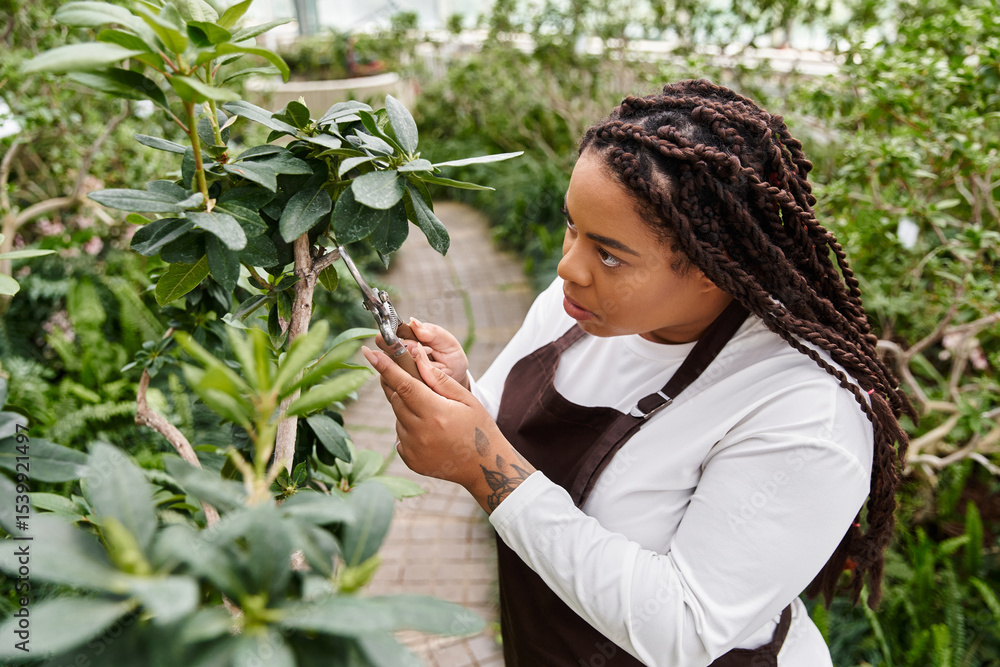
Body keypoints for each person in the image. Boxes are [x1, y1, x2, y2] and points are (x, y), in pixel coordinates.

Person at [361, 79, 912, 666]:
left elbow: (684, 629)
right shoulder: (577, 309)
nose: (567, 267)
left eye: (609, 254)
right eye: (572, 226)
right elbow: (501, 437)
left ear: (711, 270)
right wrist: (456, 392)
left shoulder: (805, 410)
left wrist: (481, 468)